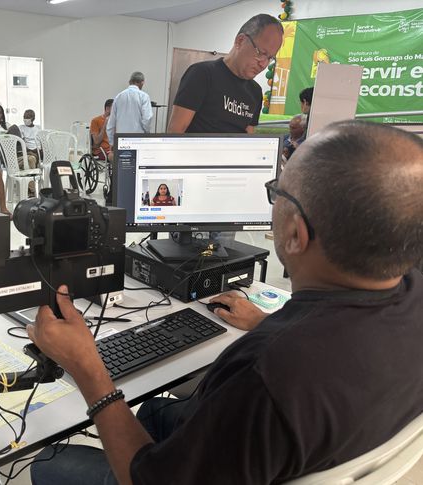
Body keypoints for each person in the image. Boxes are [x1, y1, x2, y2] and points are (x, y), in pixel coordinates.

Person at [28, 121, 423, 485]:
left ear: (295, 234)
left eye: (277, 191)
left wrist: (88, 367)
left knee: (47, 463)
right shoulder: (412, 294)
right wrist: (268, 322)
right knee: (153, 412)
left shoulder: (266, 375)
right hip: (319, 449)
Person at [167, 14, 283, 134]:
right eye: (261, 53)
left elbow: (248, 138)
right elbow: (175, 131)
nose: (263, 64)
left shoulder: (255, 91)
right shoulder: (202, 74)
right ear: (240, 41)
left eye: (270, 58)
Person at [106, 72, 153, 147]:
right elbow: (147, 119)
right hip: (138, 140)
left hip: (121, 141)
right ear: (142, 82)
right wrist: (147, 134)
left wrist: (112, 143)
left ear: (130, 82)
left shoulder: (118, 97)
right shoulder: (144, 96)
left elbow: (111, 123)